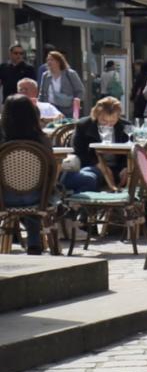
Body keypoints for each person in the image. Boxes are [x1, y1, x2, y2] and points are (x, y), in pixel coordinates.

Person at [1, 96, 56, 252]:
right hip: (37, 198)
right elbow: (51, 172)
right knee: (38, 187)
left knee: (27, 188)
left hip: (4, 199)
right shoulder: (42, 140)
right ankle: (34, 241)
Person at [75, 97, 132, 193]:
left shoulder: (125, 127)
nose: (108, 125)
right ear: (96, 115)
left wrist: (126, 167)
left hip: (118, 166)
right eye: (104, 121)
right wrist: (99, 165)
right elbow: (79, 151)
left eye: (112, 121)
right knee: (89, 177)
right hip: (93, 165)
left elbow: (131, 149)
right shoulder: (83, 126)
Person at [39, 50, 85, 116]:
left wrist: (75, 105)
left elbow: (80, 91)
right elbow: (42, 93)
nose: (49, 62)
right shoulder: (45, 75)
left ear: (58, 62)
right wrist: (40, 107)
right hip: (50, 110)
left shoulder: (70, 74)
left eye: (51, 60)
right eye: (48, 60)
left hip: (68, 110)